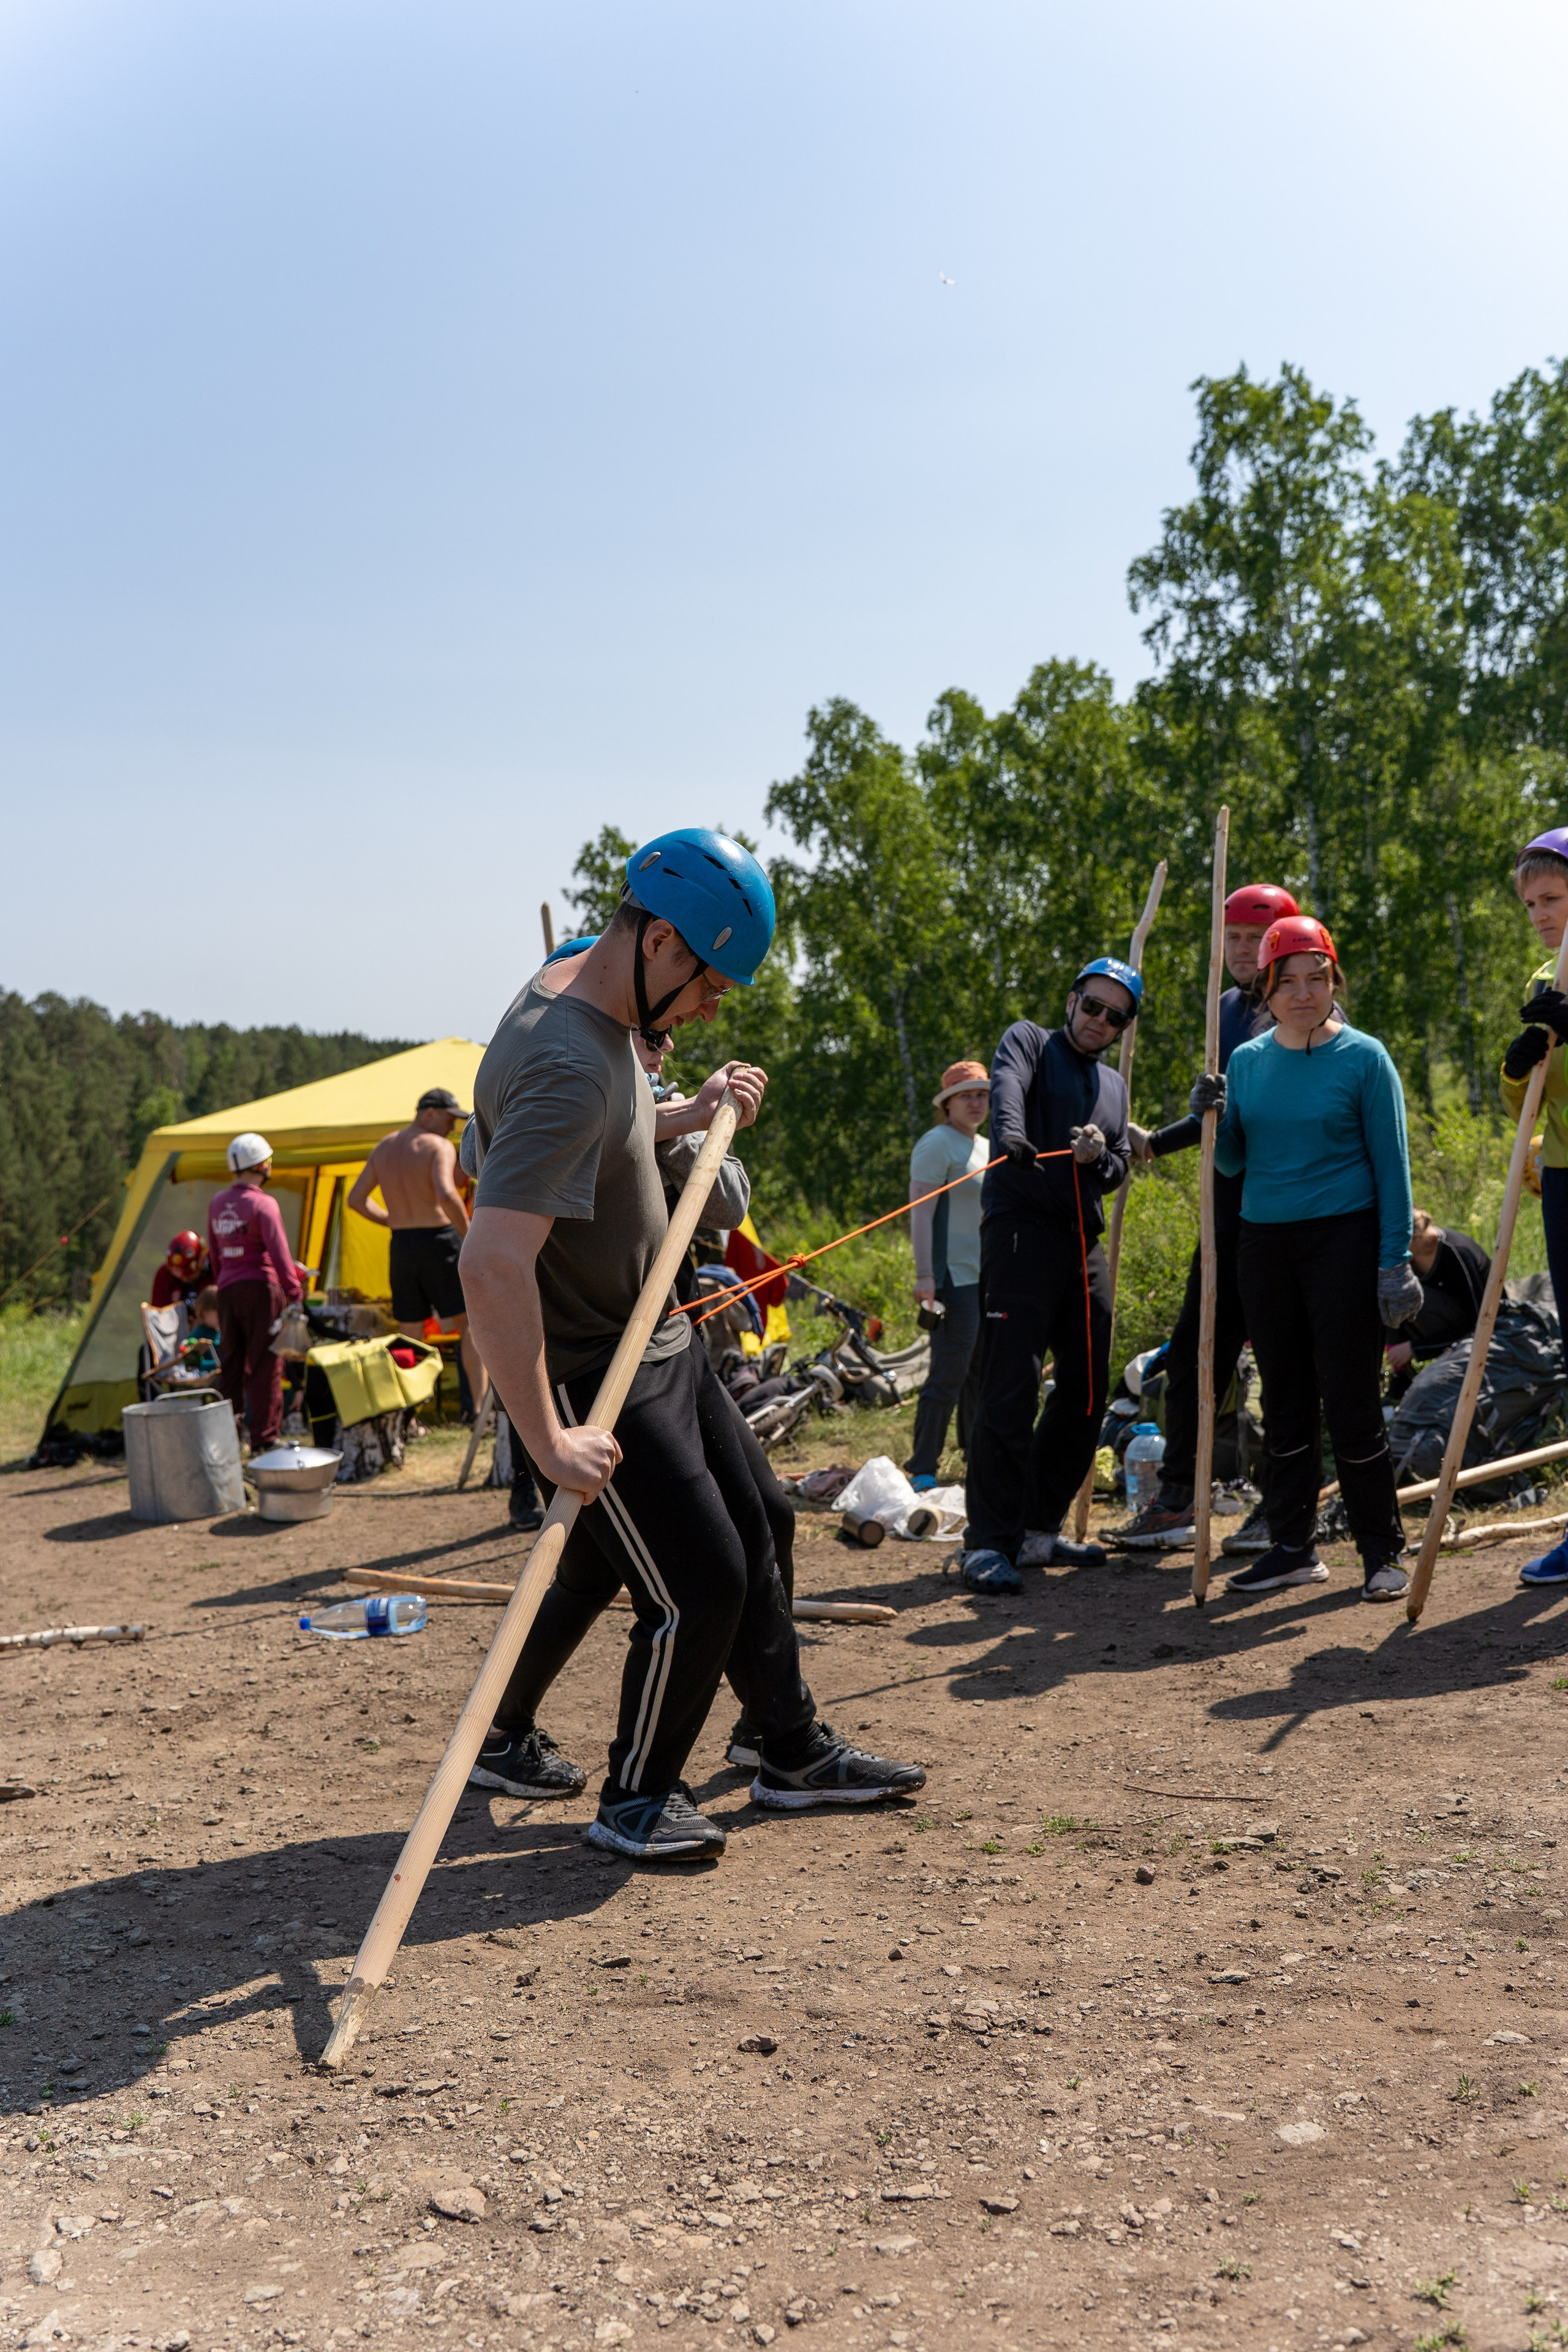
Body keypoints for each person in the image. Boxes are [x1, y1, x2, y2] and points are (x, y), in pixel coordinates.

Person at [459, 827, 925, 1858]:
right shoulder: (568, 1061)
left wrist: (688, 1113)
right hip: (595, 1369)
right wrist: (547, 1443)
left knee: (765, 1518)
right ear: (662, 940)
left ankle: (788, 1749)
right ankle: (636, 1799)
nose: (715, 1005)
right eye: (711, 981)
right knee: (700, 1584)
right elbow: (490, 1262)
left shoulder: (580, 984)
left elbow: (607, 1128)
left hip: (658, 1335)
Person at [1197, 915, 1420, 1602]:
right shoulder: (1246, 1061)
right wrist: (1214, 1117)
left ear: (1333, 980)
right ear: (1265, 991)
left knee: (1350, 1400)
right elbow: (1235, 1159)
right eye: (1287, 982)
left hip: (1344, 1241)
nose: (1303, 993)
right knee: (1286, 1403)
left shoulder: (1364, 1058)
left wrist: (1394, 1262)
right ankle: (1292, 1548)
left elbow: (1393, 1168)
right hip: (1264, 1245)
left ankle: (1381, 1552)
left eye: (1315, 978)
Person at [1111, 882, 1299, 1553]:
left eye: (1255, 938)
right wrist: (1157, 1140)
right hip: (1225, 1210)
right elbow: (1218, 1117)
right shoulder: (1224, 1008)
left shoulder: (1297, 1003)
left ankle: (1283, 1509)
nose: (1244, 951)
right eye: (1235, 939)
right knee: (1196, 1354)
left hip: (1282, 1210)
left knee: (1281, 1365)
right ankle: (1176, 1500)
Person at [957, 958, 1137, 1594]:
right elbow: (1007, 1084)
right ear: (1072, 1001)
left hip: (1081, 1244)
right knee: (1012, 1387)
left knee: (1088, 1391)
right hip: (1019, 1230)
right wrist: (1010, 1134)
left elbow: (1118, 1167)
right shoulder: (1030, 1039)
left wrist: (1099, 1158)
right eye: (1092, 1006)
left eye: (1115, 1016)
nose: (1099, 1021)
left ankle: (1036, 1528)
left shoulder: (1113, 1086)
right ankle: (987, 1542)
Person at [1499, 826, 1568, 1584]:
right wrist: (1519, 1069)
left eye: (1552, 899)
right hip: (1564, 1176)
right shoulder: (1542, 981)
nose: (1540, 915)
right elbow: (1526, 1100)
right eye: (1529, 904)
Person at [348, 1087, 486, 1414]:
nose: (452, 1128)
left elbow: (356, 1199)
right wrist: (469, 1235)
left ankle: (409, 1414)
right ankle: (476, 1409)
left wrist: (389, 1220)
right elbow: (446, 1194)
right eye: (449, 1119)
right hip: (440, 1241)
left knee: (410, 1331)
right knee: (470, 1324)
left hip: (402, 1245)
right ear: (429, 1113)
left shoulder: (385, 1147)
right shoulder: (437, 1146)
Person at [904, 1061, 990, 1492]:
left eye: (982, 1094)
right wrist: (925, 1276)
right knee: (948, 1375)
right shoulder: (937, 1144)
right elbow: (921, 1214)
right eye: (966, 1095)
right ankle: (922, 1466)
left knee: (980, 1373)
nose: (975, 1102)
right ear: (947, 1104)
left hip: (983, 1279)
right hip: (950, 1279)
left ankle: (975, 1454)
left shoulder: (986, 1146)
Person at [207, 1132, 305, 1452]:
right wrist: (294, 1292)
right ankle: (264, 1438)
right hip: (262, 1291)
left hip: (227, 1292)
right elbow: (279, 1253)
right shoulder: (264, 1204)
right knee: (265, 1365)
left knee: (231, 1364)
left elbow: (215, 1255)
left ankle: (228, 1436)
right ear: (264, 1164)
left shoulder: (218, 1203)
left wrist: (224, 1286)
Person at [1382, 1209, 1490, 1394]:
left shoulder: (1457, 1253)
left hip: (1478, 1334)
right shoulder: (1411, 1255)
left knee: (1409, 1292)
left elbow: (1481, 1327)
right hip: (1444, 1330)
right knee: (1391, 1286)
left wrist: (1415, 1348)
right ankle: (1401, 1375)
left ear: (1413, 1238)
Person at [150, 1230, 210, 1311]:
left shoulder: (216, 1269)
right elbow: (157, 1312)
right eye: (179, 1278)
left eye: (189, 1275)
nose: (184, 1280)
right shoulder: (164, 1275)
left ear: (202, 1261)